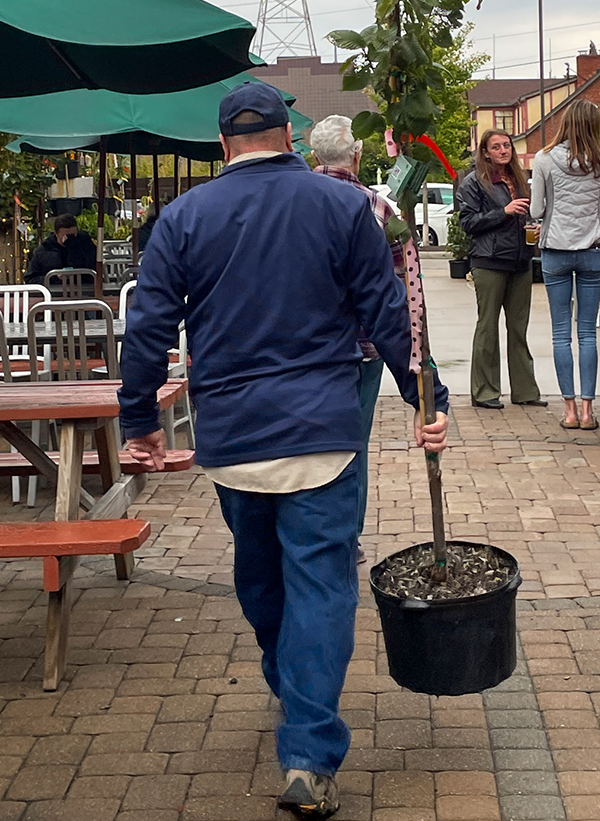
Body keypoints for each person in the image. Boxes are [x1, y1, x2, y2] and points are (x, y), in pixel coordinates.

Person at [118, 82, 448, 819]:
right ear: (290, 140)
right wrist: (428, 399)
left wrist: (138, 417)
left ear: (223, 145)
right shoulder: (343, 207)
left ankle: (297, 700)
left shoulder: (183, 217)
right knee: (321, 582)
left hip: (233, 435)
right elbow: (387, 313)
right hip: (323, 431)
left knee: (261, 577)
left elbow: (146, 327)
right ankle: (306, 749)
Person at [310, 115, 443, 561]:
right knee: (354, 445)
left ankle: (313, 530)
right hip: (364, 346)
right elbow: (406, 291)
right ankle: (348, 538)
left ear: (313, 156)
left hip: (305, 344)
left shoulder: (295, 201)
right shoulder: (378, 208)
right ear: (359, 155)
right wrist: (420, 372)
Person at [457, 129, 545, 410]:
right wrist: (503, 212)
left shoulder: (519, 180)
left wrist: (535, 228)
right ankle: (484, 392)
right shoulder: (473, 182)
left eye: (506, 145)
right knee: (488, 328)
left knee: (519, 329)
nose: (503, 150)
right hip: (489, 261)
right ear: (485, 152)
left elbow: (528, 213)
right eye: (496, 147)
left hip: (521, 261)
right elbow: (468, 222)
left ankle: (525, 391)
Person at [531, 99, 600, 430]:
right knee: (587, 332)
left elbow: (535, 210)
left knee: (561, 334)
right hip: (593, 251)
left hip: (555, 250)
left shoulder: (544, 158)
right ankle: (589, 412)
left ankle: (569, 410)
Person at [25, 213, 96, 284]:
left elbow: (93, 268)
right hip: (54, 291)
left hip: (84, 289)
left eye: (73, 235)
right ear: (56, 234)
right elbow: (30, 278)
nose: (69, 238)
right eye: (65, 235)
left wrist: (74, 249)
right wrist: (54, 277)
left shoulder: (86, 245)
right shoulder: (44, 250)